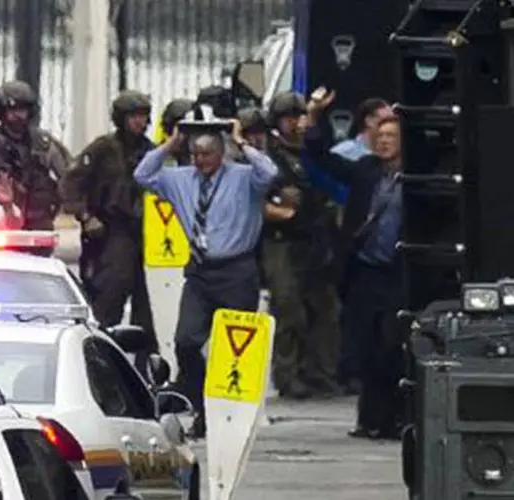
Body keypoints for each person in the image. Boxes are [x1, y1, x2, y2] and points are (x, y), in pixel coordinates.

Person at [133, 120, 278, 439]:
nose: (201, 160)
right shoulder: (179, 179)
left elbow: (269, 174)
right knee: (186, 340)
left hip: (237, 269)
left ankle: (231, 415)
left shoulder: (243, 177)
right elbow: (142, 175)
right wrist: (169, 146)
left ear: (221, 152)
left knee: (233, 349)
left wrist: (242, 143)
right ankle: (199, 406)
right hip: (200, 271)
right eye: (195, 153)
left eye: (208, 153)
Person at [303, 88, 404, 440]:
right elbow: (322, 158)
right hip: (365, 271)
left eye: (392, 136)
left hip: (399, 273)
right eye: (380, 136)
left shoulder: (418, 177)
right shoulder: (365, 170)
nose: (385, 142)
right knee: (366, 348)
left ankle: (394, 418)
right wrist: (314, 118)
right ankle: (369, 419)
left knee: (393, 345)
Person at [60, 90, 159, 374]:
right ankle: (99, 366)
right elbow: (72, 182)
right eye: (133, 116)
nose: (139, 122)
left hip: (146, 235)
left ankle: (148, 373)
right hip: (112, 232)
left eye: (143, 116)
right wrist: (86, 216)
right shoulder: (103, 149)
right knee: (108, 301)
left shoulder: (152, 153)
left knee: (148, 309)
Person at [263, 92, 342, 399]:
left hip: (315, 237)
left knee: (325, 308)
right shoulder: (271, 157)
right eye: (288, 118)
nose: (294, 124)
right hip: (282, 240)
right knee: (288, 307)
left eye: (299, 117)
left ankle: (319, 371)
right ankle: (287, 374)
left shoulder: (312, 153)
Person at [0, 80, 70, 253]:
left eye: (22, 110)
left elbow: (70, 176)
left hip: (39, 222)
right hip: (2, 223)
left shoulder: (43, 143)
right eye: (12, 110)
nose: (18, 116)